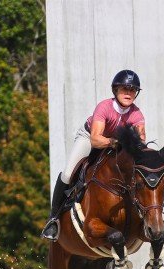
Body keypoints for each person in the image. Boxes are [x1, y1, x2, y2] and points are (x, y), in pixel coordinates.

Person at [41, 69, 146, 241]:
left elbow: (140, 141)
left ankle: (144, 216)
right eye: (124, 88)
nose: (129, 93)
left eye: (133, 89)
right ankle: (53, 220)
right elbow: (96, 140)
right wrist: (115, 142)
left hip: (115, 144)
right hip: (90, 137)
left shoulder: (137, 114)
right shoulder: (104, 107)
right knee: (68, 173)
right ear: (116, 90)